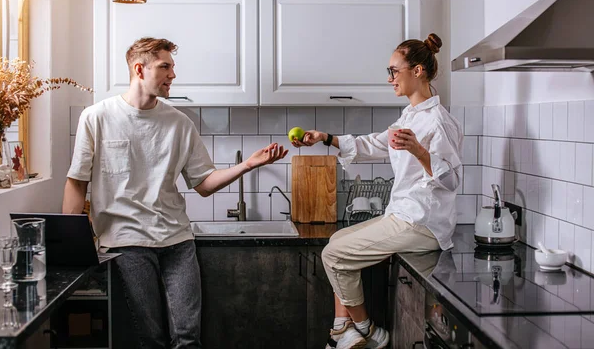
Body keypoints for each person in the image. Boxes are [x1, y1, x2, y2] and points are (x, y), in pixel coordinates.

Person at [62, 37, 288, 348]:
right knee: (150, 339)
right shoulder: (97, 117)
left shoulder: (180, 123)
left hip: (178, 243)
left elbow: (204, 184)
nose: (173, 74)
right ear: (139, 69)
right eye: (165, 66)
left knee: (187, 337)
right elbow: (77, 183)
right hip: (126, 245)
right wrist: (69, 248)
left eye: (173, 67)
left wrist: (249, 164)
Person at [291, 33, 463, 349]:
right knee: (337, 241)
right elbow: (375, 144)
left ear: (418, 71)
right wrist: (326, 138)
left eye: (394, 71)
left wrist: (421, 153)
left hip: (423, 223)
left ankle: (368, 331)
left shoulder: (439, 121)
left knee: (333, 254)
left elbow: (452, 179)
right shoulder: (411, 116)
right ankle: (343, 329)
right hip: (403, 214)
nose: (389, 79)